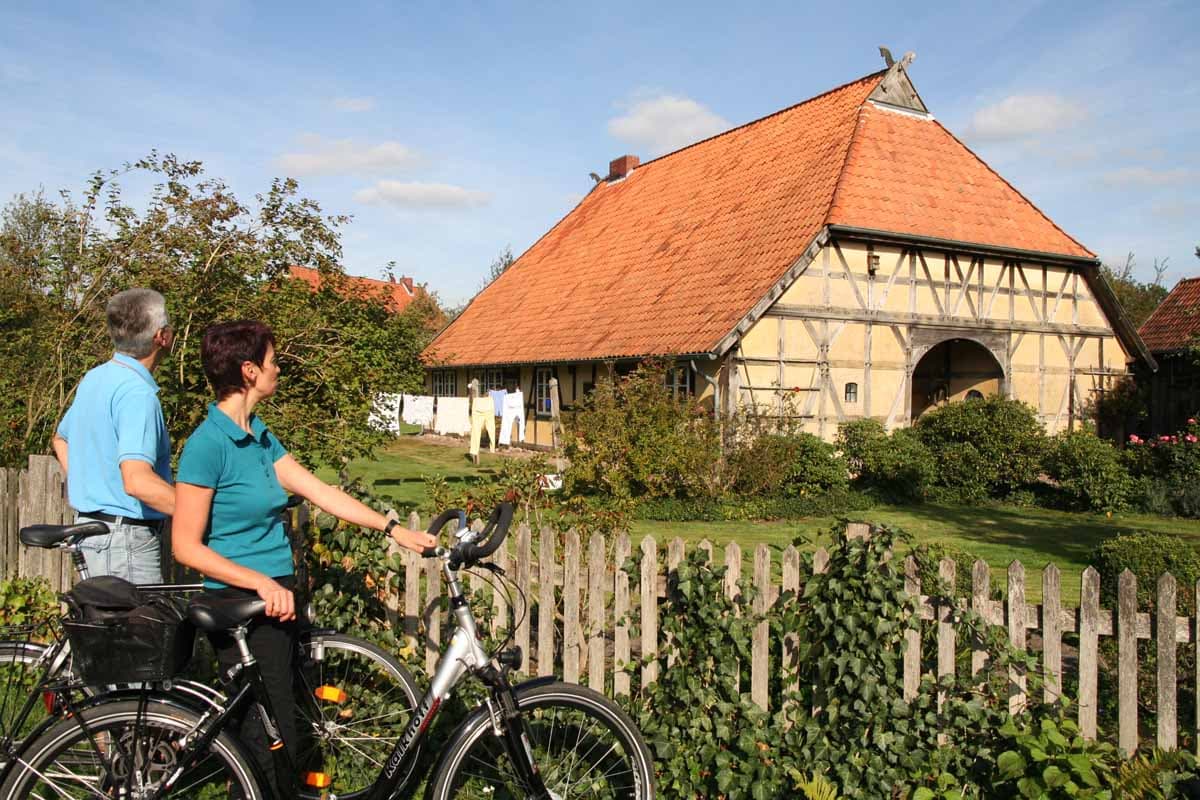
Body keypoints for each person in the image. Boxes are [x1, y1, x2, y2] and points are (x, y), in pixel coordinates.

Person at [171, 320, 435, 795]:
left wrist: (394, 530)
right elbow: (186, 546)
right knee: (270, 741)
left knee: (273, 732)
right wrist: (259, 582)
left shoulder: (258, 435)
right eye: (273, 362)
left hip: (277, 599)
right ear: (249, 371)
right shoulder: (207, 446)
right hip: (242, 605)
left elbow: (319, 491)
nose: (279, 370)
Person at [52, 288, 175, 583]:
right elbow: (138, 482)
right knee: (138, 616)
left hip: (93, 534)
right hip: (125, 542)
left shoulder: (95, 378)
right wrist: (204, 515)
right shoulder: (137, 393)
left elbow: (61, 439)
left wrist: (95, 487)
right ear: (162, 336)